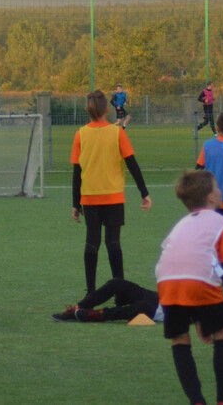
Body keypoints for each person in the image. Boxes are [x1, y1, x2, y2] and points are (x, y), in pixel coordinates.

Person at [157, 170, 223, 405]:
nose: (220, 191)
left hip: (166, 282)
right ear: (211, 198)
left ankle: (196, 401)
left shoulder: (181, 224)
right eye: (217, 187)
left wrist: (198, 316)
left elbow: (192, 259)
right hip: (199, 283)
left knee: (179, 340)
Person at [70, 90, 152, 293]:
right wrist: (144, 192)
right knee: (113, 242)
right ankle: (121, 293)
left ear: (87, 111)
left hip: (89, 198)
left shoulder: (80, 134)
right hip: (113, 197)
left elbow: (76, 172)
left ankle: (90, 293)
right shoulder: (118, 133)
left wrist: (75, 203)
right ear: (107, 110)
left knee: (92, 243)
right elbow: (132, 164)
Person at [51, 277, 161, 323]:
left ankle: (89, 314)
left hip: (154, 310)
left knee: (141, 308)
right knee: (117, 283)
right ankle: (80, 307)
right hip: (154, 296)